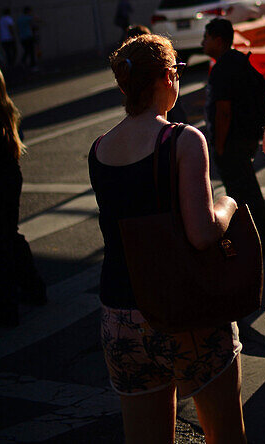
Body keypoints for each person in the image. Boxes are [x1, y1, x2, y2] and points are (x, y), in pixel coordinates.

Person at [88, 34, 246, 443]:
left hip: (119, 315)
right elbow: (201, 234)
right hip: (183, 312)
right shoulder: (182, 139)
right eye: (176, 71)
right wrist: (227, 205)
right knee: (225, 433)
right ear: (165, 78)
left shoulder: (100, 149)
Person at [202, 18, 265, 249]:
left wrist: (219, 146)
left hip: (232, 140)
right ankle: (257, 236)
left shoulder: (222, 69)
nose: (203, 42)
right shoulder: (239, 61)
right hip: (248, 135)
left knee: (239, 193)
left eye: (207, 37)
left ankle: (251, 241)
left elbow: (223, 111)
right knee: (248, 188)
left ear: (218, 40)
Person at [0, 67, 46, 327]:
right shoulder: (7, 109)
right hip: (10, 176)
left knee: (4, 241)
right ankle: (33, 288)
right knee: (10, 235)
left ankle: (8, 305)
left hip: (3, 178)